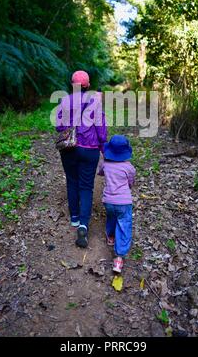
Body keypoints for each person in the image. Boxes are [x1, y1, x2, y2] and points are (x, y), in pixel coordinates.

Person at [56, 70, 107, 248]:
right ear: (88, 85)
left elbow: (58, 126)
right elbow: (101, 127)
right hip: (89, 149)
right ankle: (84, 225)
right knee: (86, 186)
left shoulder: (64, 100)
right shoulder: (95, 100)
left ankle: (75, 218)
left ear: (72, 84)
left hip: (69, 148)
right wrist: (103, 147)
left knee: (72, 181)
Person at [98, 135, 136, 273]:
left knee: (111, 218)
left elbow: (100, 173)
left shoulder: (106, 165)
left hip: (108, 201)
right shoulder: (129, 167)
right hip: (124, 202)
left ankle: (111, 237)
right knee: (124, 223)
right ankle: (119, 258)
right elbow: (131, 182)